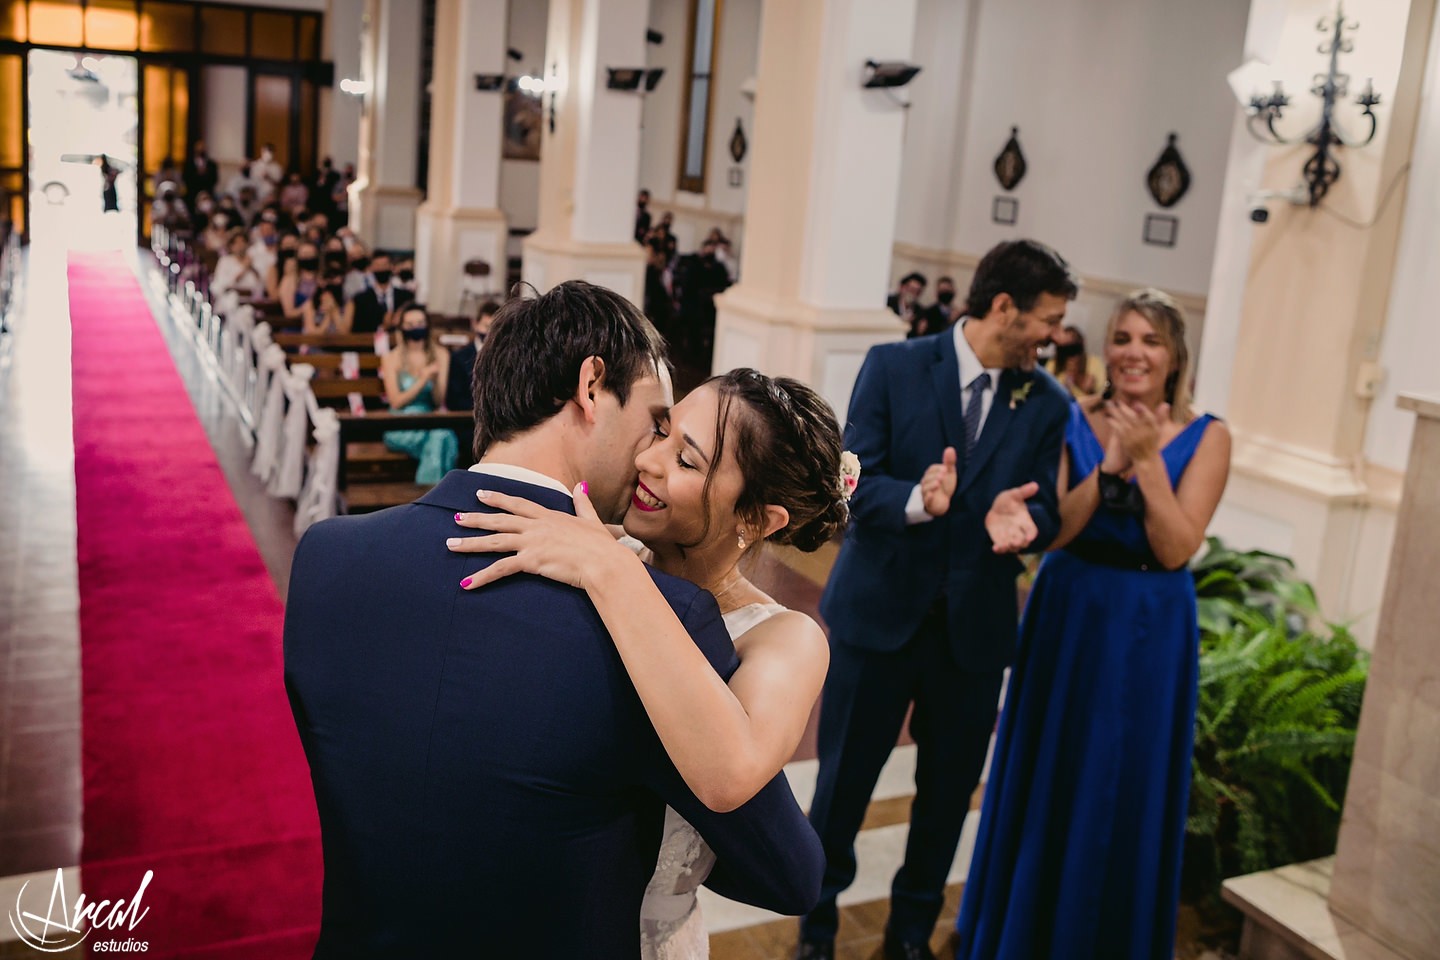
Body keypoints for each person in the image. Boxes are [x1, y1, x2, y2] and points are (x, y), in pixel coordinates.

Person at [283, 280, 824, 957]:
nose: (650, 456)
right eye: (657, 422)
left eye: (680, 449)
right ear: (591, 386)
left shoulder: (327, 559)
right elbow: (785, 867)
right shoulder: (662, 617)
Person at [447, 367, 850, 958]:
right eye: (661, 431)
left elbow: (727, 774)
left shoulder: (787, 638)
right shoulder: (595, 546)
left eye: (687, 461)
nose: (649, 461)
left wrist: (610, 572)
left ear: (758, 519)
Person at [799, 239, 1078, 960]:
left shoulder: (1046, 401)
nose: (1055, 336)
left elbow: (1045, 503)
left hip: (974, 637)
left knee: (947, 802)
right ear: (1004, 307)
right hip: (878, 620)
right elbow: (851, 478)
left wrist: (1030, 524)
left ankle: (909, 938)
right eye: (1046, 320)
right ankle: (817, 930)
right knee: (841, 790)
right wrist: (918, 501)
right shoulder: (893, 366)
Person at [954, 288, 1231, 959]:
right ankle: (1022, 930)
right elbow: (1058, 532)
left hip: (1149, 626)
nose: (1134, 352)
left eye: (1151, 340)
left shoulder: (1209, 435)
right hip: (1068, 611)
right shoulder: (1073, 416)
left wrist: (1145, 462)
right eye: (1124, 337)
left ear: (1175, 357)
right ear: (1107, 348)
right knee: (1052, 767)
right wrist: (1108, 464)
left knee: (1120, 776)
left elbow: (1175, 547)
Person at [379, 305, 457, 485]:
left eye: (420, 323)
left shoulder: (441, 354)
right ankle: (438, 495)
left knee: (441, 435)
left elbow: (438, 401)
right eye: (410, 324)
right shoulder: (391, 358)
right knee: (441, 437)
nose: (416, 328)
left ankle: (427, 495)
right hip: (400, 422)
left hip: (429, 418)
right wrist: (423, 379)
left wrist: (436, 380)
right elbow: (396, 402)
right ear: (402, 328)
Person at [445, 300, 498, 413]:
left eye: (495, 328)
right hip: (467, 420)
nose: (490, 333)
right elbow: (453, 400)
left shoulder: (508, 357)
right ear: (475, 324)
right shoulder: (459, 358)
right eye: (486, 326)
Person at [347, 252, 413, 334]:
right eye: (378, 265)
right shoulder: (361, 300)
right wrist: (383, 327)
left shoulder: (406, 296)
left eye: (385, 265)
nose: (382, 269)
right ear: (371, 268)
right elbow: (358, 329)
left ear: (391, 266)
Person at [1046, 324, 1105, 399]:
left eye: (1075, 349)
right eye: (1065, 350)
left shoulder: (1095, 363)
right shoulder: (1052, 364)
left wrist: (1091, 391)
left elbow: (1105, 397)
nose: (1071, 357)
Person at [211, 230, 264, 301]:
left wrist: (252, 267)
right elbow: (221, 284)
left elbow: (260, 283)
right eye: (236, 243)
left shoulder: (253, 261)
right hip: (230, 299)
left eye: (243, 242)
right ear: (231, 246)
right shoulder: (225, 261)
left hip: (251, 300)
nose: (240, 245)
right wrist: (244, 268)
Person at [277, 240, 321, 323]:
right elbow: (288, 313)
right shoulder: (289, 280)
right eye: (304, 255)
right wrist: (306, 308)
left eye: (310, 254)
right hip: (296, 325)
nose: (307, 258)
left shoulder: (322, 278)